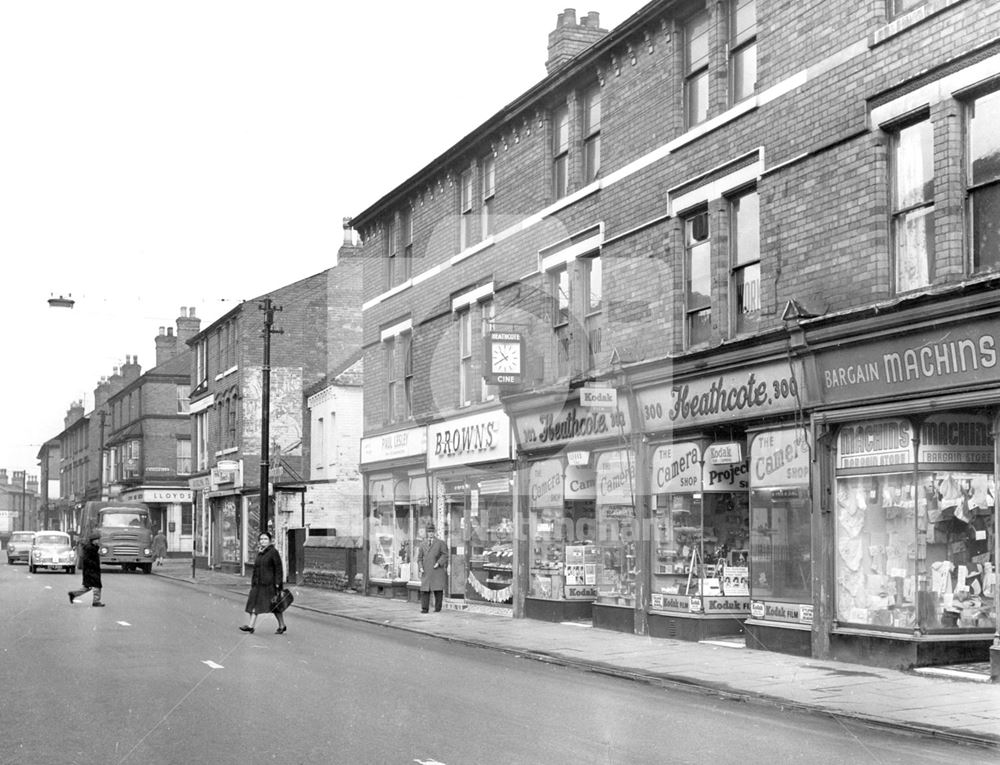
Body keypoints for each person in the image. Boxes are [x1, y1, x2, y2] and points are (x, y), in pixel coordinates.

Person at [239, 532, 287, 634]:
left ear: (270, 541)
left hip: (269, 584)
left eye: (265, 539)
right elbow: (256, 569)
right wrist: (253, 582)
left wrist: (278, 583)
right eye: (261, 539)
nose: (263, 541)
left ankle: (281, 625)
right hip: (258, 584)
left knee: (274, 606)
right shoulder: (261, 552)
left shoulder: (273, 552)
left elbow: (278, 568)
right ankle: (251, 626)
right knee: (254, 604)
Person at [68, 530, 104, 607]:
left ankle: (73, 594)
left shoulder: (93, 547)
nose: (98, 541)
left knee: (87, 587)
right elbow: (87, 559)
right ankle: (96, 601)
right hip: (91, 570)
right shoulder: (90, 548)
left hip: (90, 570)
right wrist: (94, 565)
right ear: (93, 540)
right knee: (97, 585)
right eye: (97, 539)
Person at [417, 523, 447, 613]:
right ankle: (424, 608)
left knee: (437, 590)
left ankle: (438, 608)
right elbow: (419, 558)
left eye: (432, 531)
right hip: (426, 571)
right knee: (425, 590)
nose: (430, 533)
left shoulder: (440, 543)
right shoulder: (422, 544)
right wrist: (420, 567)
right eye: (429, 532)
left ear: (435, 532)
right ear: (427, 533)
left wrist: (438, 563)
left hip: (436, 570)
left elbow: (445, 555)